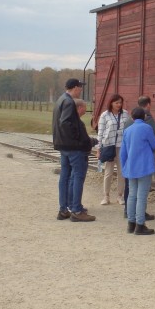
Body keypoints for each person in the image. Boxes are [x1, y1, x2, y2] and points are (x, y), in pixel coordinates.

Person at [52, 78, 95, 222]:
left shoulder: (60, 100)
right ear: (75, 88)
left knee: (65, 176)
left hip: (62, 145)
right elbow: (65, 123)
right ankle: (76, 210)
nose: (81, 90)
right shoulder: (69, 102)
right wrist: (78, 138)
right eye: (80, 88)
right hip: (72, 146)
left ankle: (64, 209)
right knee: (77, 176)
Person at [120, 107, 155, 235]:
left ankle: (131, 224)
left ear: (132, 117)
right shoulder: (147, 128)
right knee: (141, 197)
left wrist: (124, 166)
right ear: (144, 117)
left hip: (131, 167)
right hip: (144, 167)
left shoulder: (127, 130)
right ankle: (140, 225)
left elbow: (123, 152)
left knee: (132, 195)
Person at [96, 94, 129, 206]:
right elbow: (100, 133)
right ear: (111, 103)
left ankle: (120, 196)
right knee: (108, 172)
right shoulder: (105, 115)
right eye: (116, 103)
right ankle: (106, 196)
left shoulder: (125, 114)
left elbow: (128, 129)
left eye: (120, 103)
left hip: (121, 146)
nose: (119, 105)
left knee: (121, 172)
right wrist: (99, 148)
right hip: (109, 146)